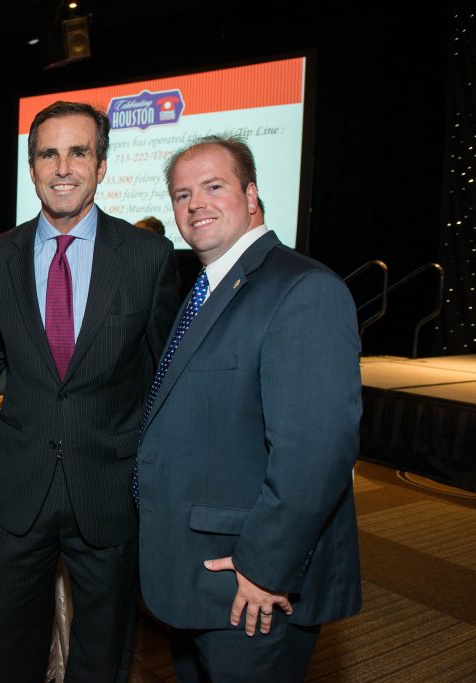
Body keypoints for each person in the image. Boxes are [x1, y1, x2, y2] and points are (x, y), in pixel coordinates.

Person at [136, 135, 361, 682]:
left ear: (253, 194)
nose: (195, 205)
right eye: (182, 194)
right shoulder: (207, 288)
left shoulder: (302, 289)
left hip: (251, 589)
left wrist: (266, 569)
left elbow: (315, 453)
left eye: (214, 187)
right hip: (196, 578)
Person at [0, 101, 180, 681]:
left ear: (102, 165)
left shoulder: (147, 258)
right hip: (18, 493)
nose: (63, 167)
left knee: (104, 656)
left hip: (108, 491)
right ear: (32, 166)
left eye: (78, 152)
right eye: (48, 153)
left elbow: (164, 376)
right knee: (15, 653)